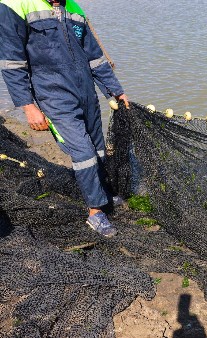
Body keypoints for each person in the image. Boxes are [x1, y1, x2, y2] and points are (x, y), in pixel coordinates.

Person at [0, 0, 129, 237]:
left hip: (86, 92)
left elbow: (95, 57)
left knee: (98, 148)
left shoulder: (75, 8)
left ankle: (101, 191)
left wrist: (115, 90)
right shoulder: (16, 5)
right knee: (83, 152)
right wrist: (28, 106)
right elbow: (12, 62)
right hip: (53, 96)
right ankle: (95, 212)